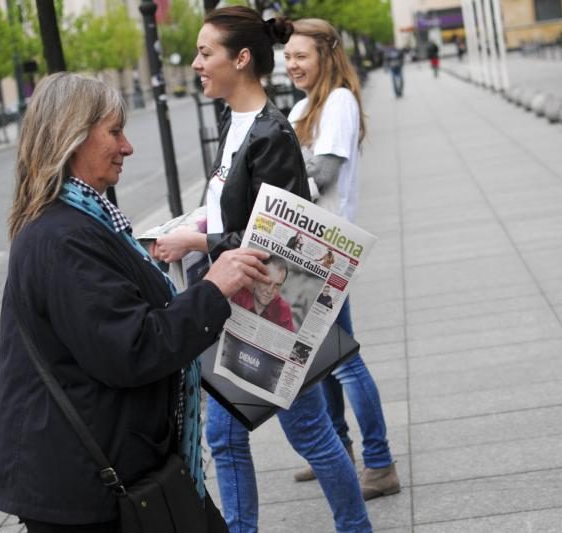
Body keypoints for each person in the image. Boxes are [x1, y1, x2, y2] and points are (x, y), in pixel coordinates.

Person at [0, 72, 272, 532]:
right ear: (73, 137)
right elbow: (132, 348)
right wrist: (212, 290)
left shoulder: (84, 221)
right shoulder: (64, 236)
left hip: (116, 469)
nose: (127, 147)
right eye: (115, 131)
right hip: (88, 488)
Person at [151, 7, 372, 533]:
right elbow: (233, 207)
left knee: (311, 433)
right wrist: (195, 222)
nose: (196, 63)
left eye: (207, 53)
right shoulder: (232, 121)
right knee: (227, 437)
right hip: (234, 302)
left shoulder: (270, 134)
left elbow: (276, 240)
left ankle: (356, 528)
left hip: (268, 306)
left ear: (242, 59)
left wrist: (197, 239)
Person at [285, 18, 401, 500]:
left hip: (325, 244)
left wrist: (279, 182)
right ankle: (340, 448)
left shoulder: (338, 102)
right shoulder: (302, 106)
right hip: (302, 244)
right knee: (319, 359)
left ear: (326, 56)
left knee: (344, 361)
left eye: (301, 56)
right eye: (287, 56)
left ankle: (380, 463)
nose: (291, 64)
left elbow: (325, 172)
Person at [232, 256, 295, 331]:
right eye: (266, 282)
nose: (269, 290)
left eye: (277, 285)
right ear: (256, 277)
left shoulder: (283, 311)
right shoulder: (237, 294)